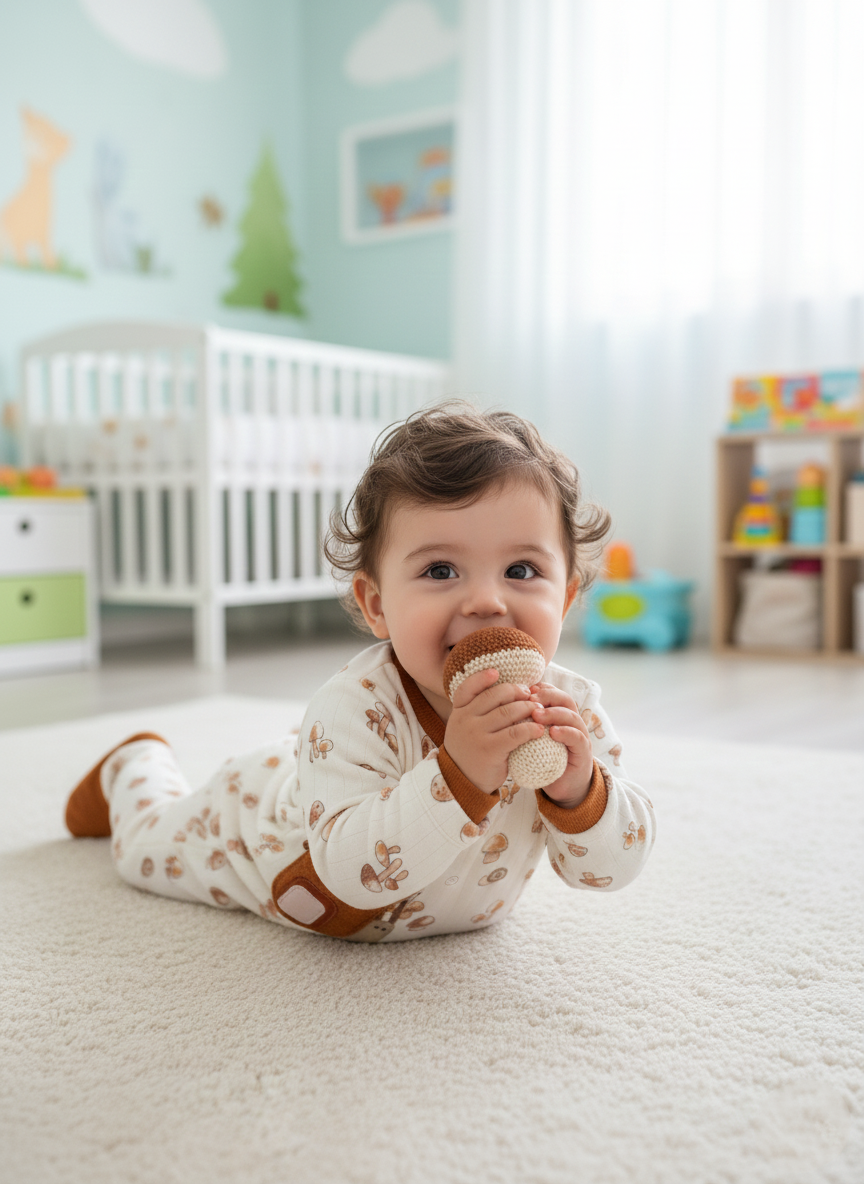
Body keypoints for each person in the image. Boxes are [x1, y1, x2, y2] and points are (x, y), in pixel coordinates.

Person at [65, 403, 655, 942]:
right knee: (141, 855)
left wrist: (581, 794)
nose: (486, 602)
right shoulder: (356, 704)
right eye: (442, 570)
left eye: (522, 570)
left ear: (568, 596)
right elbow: (352, 874)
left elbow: (611, 870)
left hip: (341, 777)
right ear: (376, 605)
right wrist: (461, 776)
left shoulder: (568, 712)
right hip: (262, 830)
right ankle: (134, 767)